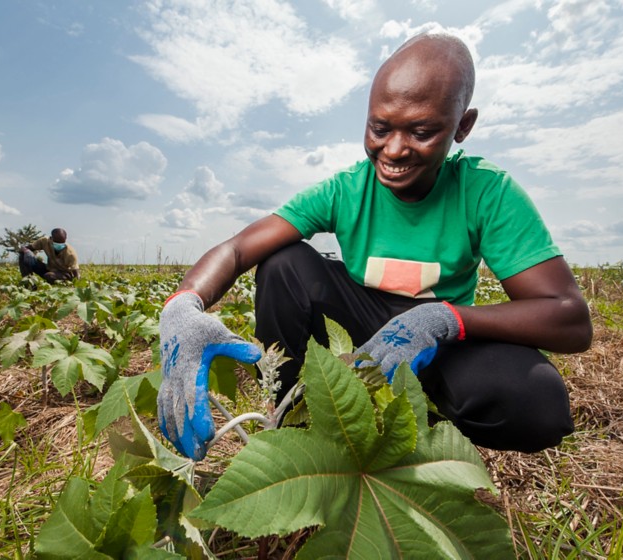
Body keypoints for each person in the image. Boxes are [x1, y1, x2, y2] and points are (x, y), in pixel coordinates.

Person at [157, 32, 593, 461]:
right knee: (283, 264)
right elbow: (237, 250)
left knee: (535, 402)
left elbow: (568, 317)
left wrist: (443, 319)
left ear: (463, 125)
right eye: (379, 128)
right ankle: (293, 422)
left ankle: (420, 436)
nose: (394, 149)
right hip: (361, 327)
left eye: (421, 131)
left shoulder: (485, 192)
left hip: (440, 339)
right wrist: (183, 305)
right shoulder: (346, 190)